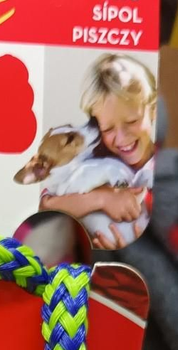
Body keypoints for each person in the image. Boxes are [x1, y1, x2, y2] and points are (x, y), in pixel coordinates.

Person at [40, 54, 157, 250]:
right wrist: (102, 198)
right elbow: (46, 206)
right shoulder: (91, 158)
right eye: (107, 128)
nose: (121, 138)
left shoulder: (168, 166)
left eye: (132, 121)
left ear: (153, 110)